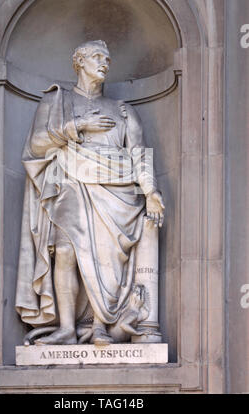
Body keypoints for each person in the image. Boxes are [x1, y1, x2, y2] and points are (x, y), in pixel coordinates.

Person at [15, 40, 164, 345]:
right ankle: (67, 328)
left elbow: (139, 152)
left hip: (116, 193)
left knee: (107, 259)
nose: (105, 62)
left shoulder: (122, 110)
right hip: (71, 185)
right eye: (97, 57)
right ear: (78, 61)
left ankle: (99, 326)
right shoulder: (57, 102)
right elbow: (36, 144)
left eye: (108, 58)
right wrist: (78, 125)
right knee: (67, 253)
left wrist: (151, 191)